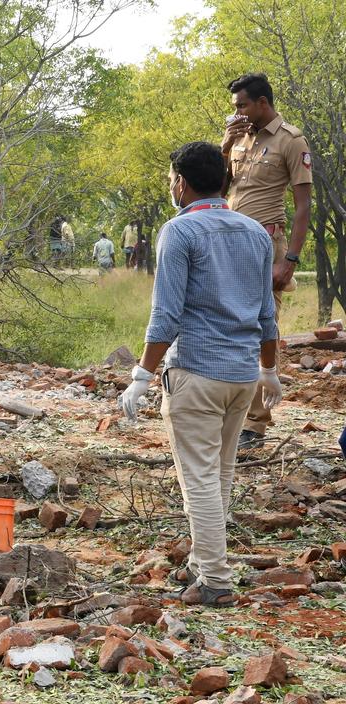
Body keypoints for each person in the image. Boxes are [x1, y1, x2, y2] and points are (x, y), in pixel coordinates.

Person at [119, 141, 280, 606]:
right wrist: (268, 369)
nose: (172, 186)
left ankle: (214, 578)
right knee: (221, 474)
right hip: (241, 375)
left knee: (200, 479)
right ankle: (201, 564)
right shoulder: (255, 233)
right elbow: (268, 314)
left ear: (183, 184)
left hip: (197, 373)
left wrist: (141, 376)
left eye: (173, 179)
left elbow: (166, 314)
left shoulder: (180, 231)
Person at [221, 73, 313, 449]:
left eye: (242, 105)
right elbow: (220, 189)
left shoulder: (290, 140)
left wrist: (289, 259)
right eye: (234, 108)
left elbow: (303, 204)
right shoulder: (238, 138)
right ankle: (232, 410)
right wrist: (225, 146)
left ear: (262, 102)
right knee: (227, 322)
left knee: (262, 326)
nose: (237, 113)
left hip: (265, 242)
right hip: (227, 240)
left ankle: (256, 424)